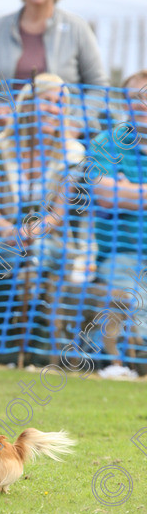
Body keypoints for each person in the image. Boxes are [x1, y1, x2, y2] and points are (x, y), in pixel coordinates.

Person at [0, 74, 85, 360]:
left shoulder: (73, 154)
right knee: (0, 258)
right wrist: (13, 233)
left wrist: (34, 232)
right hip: (0, 233)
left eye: (59, 104)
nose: (53, 109)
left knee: (40, 257)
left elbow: (58, 213)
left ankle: (40, 347)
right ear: (29, 104)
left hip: (49, 235)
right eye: (47, 100)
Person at [87, 70, 147, 360]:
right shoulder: (106, 142)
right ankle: (118, 361)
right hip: (120, 254)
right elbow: (105, 196)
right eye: (135, 98)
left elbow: (116, 195)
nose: (141, 104)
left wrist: (130, 191)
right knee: (128, 302)